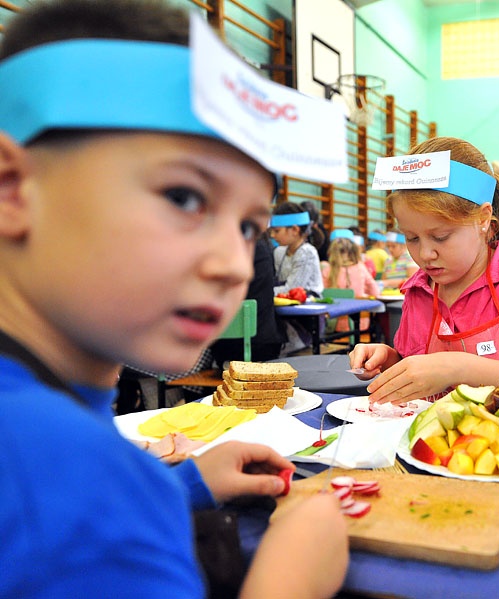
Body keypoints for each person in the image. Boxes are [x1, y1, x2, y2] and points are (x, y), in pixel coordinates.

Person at [0, 1, 348, 597]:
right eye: (185, 197)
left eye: (248, 227)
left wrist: (177, 483)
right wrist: (295, 569)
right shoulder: (69, 479)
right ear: (11, 188)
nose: (231, 266)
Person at [348, 137, 499, 410]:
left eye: (441, 237)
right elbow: (422, 373)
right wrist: (391, 361)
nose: (425, 254)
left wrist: (458, 367)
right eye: (411, 238)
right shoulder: (420, 289)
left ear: (483, 219)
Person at [322, 231, 380, 331]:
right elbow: (375, 292)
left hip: (334, 324)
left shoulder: (327, 270)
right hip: (360, 323)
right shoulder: (361, 268)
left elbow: (321, 295)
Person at [270, 202, 325, 297]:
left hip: (309, 306)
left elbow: (292, 289)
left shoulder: (307, 253)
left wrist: (264, 292)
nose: (272, 235)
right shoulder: (279, 251)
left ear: (295, 230)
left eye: (277, 231)